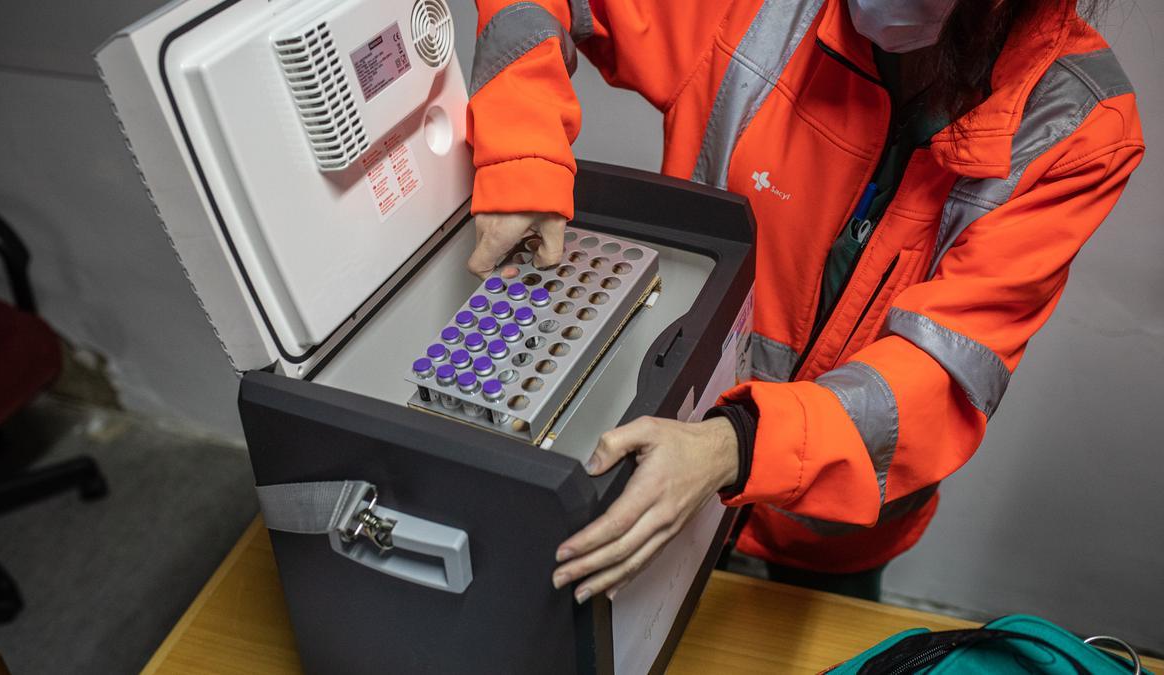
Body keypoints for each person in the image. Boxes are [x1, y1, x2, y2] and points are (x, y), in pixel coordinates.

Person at [465, 0, 1144, 604]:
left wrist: (738, 445)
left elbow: (941, 372)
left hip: (830, 533)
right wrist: (523, 149)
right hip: (665, 465)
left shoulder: (1077, 118)